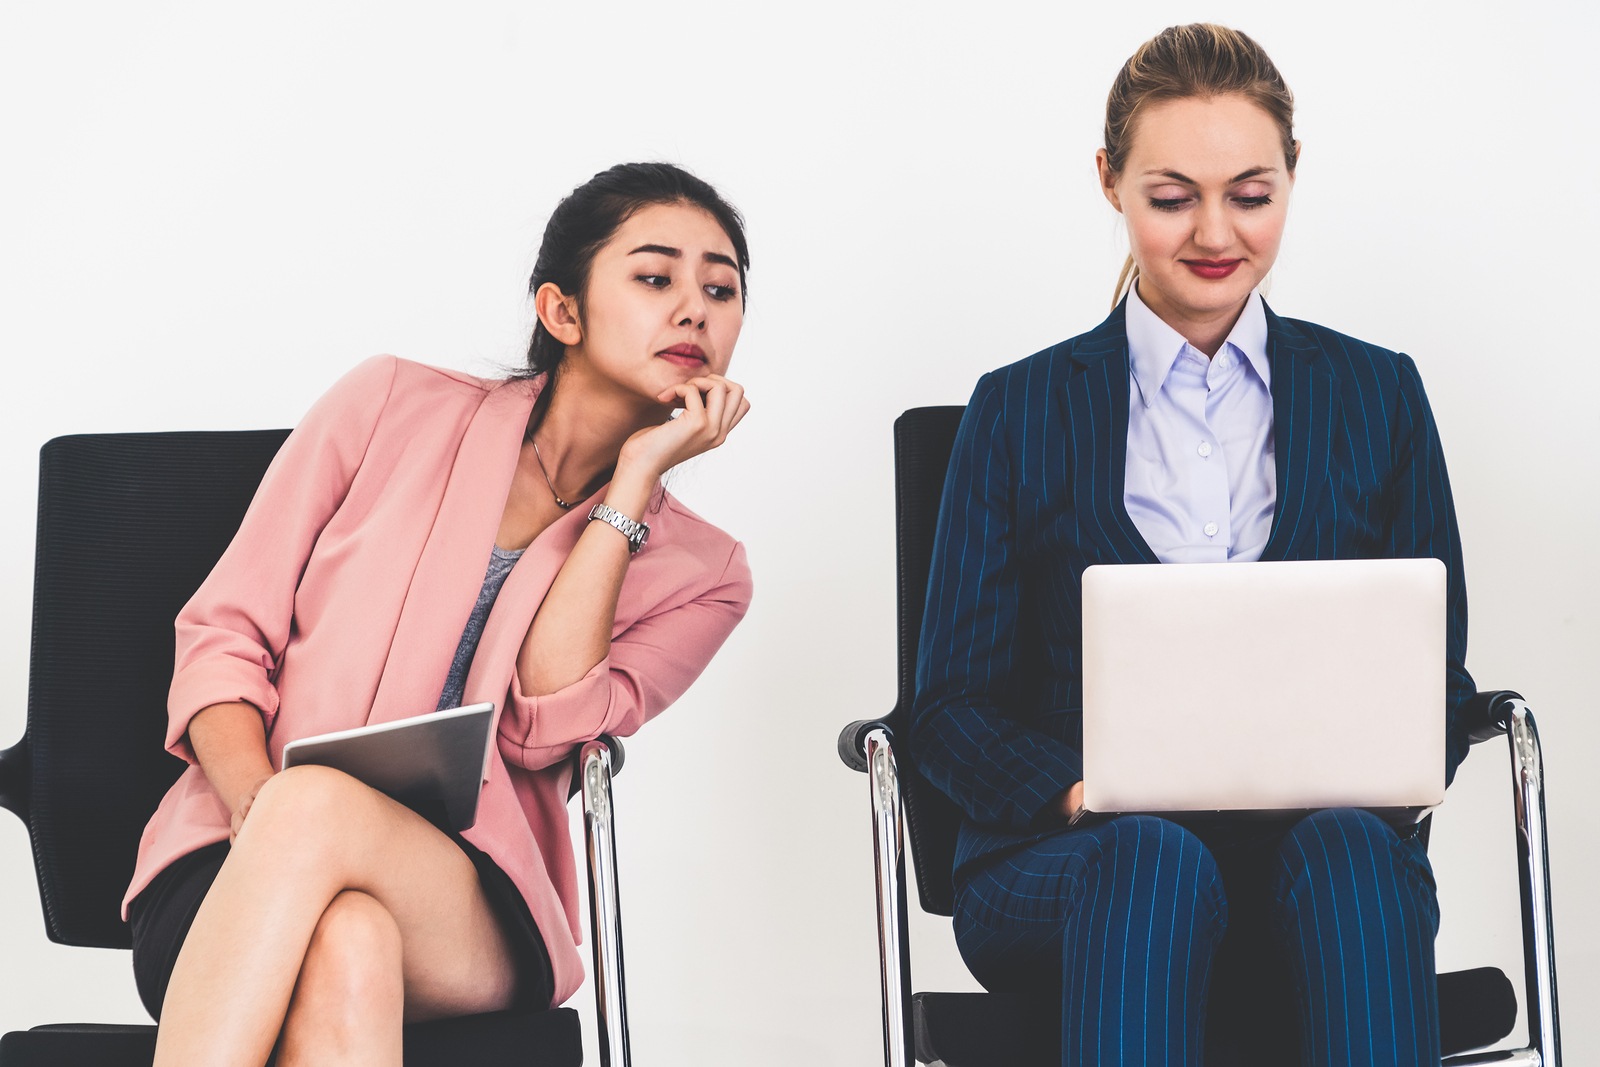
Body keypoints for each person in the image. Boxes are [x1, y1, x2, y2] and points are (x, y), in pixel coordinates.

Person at [911, 24, 1470, 1067]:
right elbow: (946, 706)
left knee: (1352, 852)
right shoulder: (1018, 407)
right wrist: (1080, 791)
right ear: (1109, 182)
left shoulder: (1376, 394)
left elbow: (1435, 678)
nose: (1213, 231)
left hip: (1313, 859)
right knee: (1152, 860)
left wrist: (1370, 763)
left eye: (1250, 194)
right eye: (1170, 197)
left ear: (1291, 180)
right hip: (1067, 863)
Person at [122, 162, 754, 1066]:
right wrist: (270, 811)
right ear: (561, 312)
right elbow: (224, 635)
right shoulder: (386, 403)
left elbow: (545, 727)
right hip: (235, 853)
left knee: (328, 841)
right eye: (656, 277)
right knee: (348, 940)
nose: (694, 308)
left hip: (470, 900)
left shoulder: (708, 573)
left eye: (721, 289)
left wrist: (633, 488)